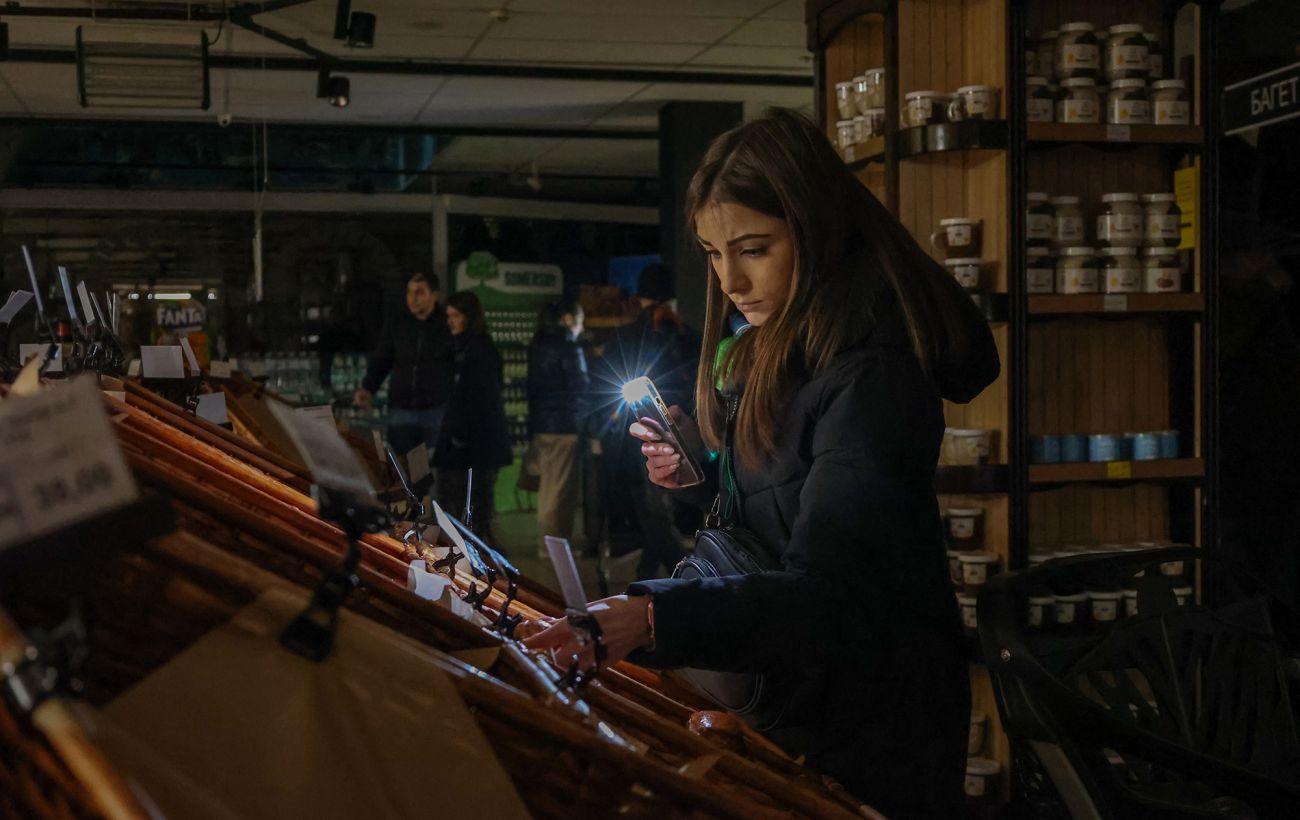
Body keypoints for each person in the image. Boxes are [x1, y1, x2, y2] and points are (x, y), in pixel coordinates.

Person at [526, 109, 999, 817]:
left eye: (752, 249)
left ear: (817, 229)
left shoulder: (872, 375)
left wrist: (653, 617)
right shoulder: (778, 348)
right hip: (794, 698)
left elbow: (829, 593)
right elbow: (770, 524)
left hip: (867, 722)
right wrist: (701, 480)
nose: (731, 281)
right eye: (715, 254)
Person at [592, 263, 701, 579]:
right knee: (658, 512)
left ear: (639, 297)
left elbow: (602, 385)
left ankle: (680, 578)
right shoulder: (686, 333)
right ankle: (649, 579)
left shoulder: (627, 335)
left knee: (651, 514)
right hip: (685, 435)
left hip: (634, 439)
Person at [434, 290, 513, 545]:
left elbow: (480, 398)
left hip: (473, 444)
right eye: (449, 316)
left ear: (468, 317)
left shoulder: (477, 350)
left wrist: (459, 434)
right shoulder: (464, 347)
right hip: (471, 442)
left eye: (456, 316)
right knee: (470, 501)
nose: (451, 321)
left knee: (470, 501)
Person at [354, 273, 454, 467]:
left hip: (436, 408)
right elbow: (383, 357)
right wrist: (368, 387)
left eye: (419, 292)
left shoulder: (446, 324)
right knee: (406, 468)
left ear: (434, 295)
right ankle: (413, 497)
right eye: (409, 292)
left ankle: (428, 497)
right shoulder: (398, 321)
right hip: (402, 408)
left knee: (433, 469)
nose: (413, 298)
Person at [526, 298, 590, 557]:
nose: (580, 328)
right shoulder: (569, 347)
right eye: (579, 321)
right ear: (567, 318)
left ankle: (549, 543)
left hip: (543, 424)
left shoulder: (537, 344)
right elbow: (581, 388)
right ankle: (552, 547)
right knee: (560, 491)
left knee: (548, 489)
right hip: (565, 425)